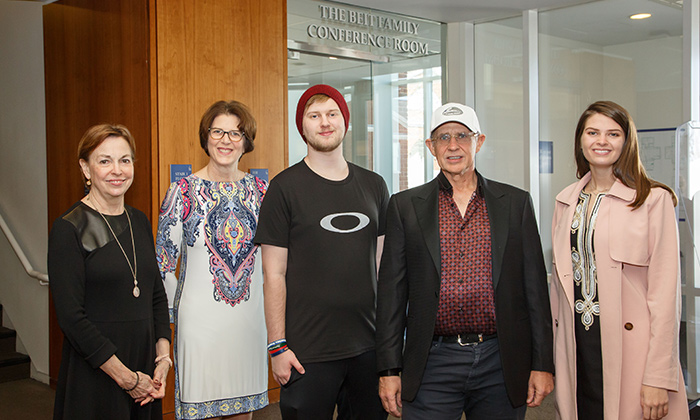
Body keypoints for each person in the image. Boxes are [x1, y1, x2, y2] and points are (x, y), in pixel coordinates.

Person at [376, 102, 555, 419]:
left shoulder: (515, 204)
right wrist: (389, 368)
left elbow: (536, 292)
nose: (453, 145)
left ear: (479, 141)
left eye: (462, 135)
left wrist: (542, 364)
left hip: (499, 361)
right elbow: (392, 293)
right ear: (431, 147)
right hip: (432, 361)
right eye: (443, 138)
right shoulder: (405, 207)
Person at [254, 84, 389, 419]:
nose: (324, 122)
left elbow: (383, 268)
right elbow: (273, 274)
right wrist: (277, 346)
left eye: (332, 114)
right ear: (303, 126)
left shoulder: (374, 185)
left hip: (368, 348)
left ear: (345, 121)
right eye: (314, 115)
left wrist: (390, 345)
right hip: (306, 352)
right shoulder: (283, 188)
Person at [550, 101, 689, 420]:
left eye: (613, 133)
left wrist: (658, 376)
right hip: (578, 348)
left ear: (627, 142)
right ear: (580, 141)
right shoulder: (566, 201)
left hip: (633, 353)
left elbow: (665, 297)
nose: (602, 141)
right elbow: (558, 289)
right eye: (593, 132)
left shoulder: (654, 200)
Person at [49, 124, 171, 420]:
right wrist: (127, 379)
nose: (117, 170)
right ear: (86, 169)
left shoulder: (139, 221)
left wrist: (163, 358)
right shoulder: (69, 228)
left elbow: (155, 293)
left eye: (125, 160)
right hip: (98, 370)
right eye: (105, 161)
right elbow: (71, 318)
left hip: (144, 367)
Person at [156, 101, 268, 420]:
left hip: (249, 324)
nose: (226, 140)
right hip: (199, 325)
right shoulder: (182, 192)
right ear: (206, 137)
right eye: (218, 131)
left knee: (242, 412)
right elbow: (163, 263)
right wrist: (173, 316)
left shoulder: (263, 193)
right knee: (199, 410)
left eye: (236, 133)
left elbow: (274, 262)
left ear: (247, 141)